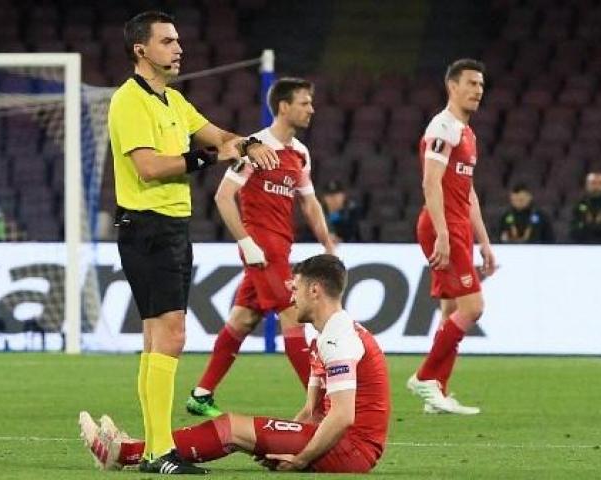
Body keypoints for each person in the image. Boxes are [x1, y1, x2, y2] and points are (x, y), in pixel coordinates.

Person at [109, 10, 279, 475]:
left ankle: (153, 452)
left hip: (170, 229)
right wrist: (206, 158)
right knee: (172, 334)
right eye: (167, 41)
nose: (178, 48)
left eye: (178, 40)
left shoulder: (171, 101)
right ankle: (161, 451)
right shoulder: (130, 101)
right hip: (148, 227)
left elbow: (219, 135)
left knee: (156, 337)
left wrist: (242, 145)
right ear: (141, 49)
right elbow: (148, 166)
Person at [80, 254, 391, 474]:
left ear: (315, 290)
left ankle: (125, 453)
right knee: (238, 432)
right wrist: (279, 442)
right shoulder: (324, 337)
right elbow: (311, 413)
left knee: (231, 428)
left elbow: (343, 415)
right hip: (342, 443)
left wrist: (302, 458)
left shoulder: (340, 338)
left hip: (353, 450)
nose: (291, 298)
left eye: (295, 289)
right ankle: (138, 448)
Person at [185, 77, 335, 418]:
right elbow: (223, 197)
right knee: (293, 315)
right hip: (261, 247)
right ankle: (319, 408)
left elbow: (310, 204)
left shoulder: (300, 153)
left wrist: (327, 244)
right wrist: (247, 242)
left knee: (243, 319)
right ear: (284, 107)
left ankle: (201, 394)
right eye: (304, 102)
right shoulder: (254, 148)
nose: (311, 109)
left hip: (281, 247)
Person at [408, 58, 496, 415]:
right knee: (473, 307)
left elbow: (468, 192)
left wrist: (485, 242)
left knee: (450, 311)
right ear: (452, 86)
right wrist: (443, 234)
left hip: (457, 225)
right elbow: (430, 181)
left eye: (481, 85)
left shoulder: (467, 133)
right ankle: (424, 378)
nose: (477, 90)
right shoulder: (443, 127)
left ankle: (437, 393)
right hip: (443, 224)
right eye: (471, 83)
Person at [569, 172, 601, 244]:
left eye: (600, 183)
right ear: (587, 185)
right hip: (583, 246)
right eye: (593, 183)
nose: (596, 187)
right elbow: (573, 231)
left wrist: (587, 225)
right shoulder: (578, 206)